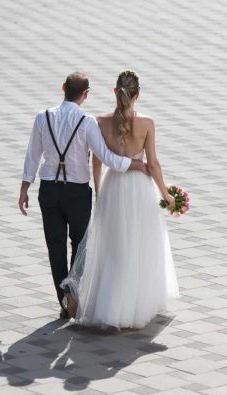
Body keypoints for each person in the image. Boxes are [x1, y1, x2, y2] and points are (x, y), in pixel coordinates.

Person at [19, 72, 150, 319]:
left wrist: (25, 187)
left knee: (54, 246)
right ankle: (72, 291)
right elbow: (107, 157)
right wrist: (137, 165)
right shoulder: (87, 122)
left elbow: (32, 156)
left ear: (63, 88)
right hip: (77, 192)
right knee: (80, 246)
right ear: (86, 95)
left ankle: (64, 299)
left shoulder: (42, 117)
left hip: (48, 190)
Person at [61, 69, 180, 329]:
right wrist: (166, 194)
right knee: (139, 245)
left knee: (114, 248)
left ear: (115, 92)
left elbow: (96, 161)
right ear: (138, 94)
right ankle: (136, 305)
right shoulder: (147, 123)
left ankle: (110, 306)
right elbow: (153, 164)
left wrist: (99, 191)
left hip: (113, 186)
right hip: (140, 189)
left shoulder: (100, 122)